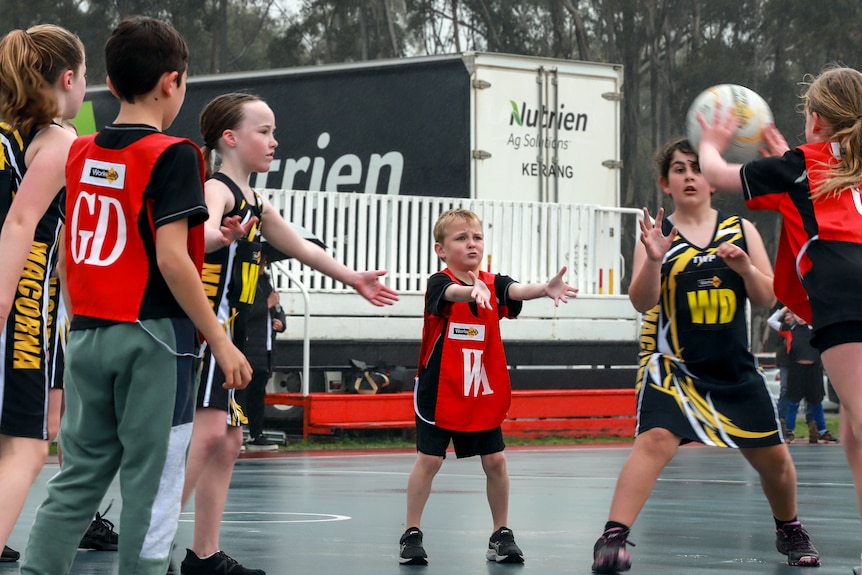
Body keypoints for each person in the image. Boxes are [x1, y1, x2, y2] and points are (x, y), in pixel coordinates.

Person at [19, 16, 252, 575]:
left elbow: (72, 251)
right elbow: (173, 260)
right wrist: (219, 340)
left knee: (77, 480)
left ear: (112, 80)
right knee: (154, 480)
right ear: (172, 82)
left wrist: (79, 320)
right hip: (156, 340)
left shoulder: (80, 152)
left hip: (90, 334)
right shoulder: (173, 154)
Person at [178, 91, 399, 575]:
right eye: (264, 131)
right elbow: (205, 233)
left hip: (237, 334)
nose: (275, 141)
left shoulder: (258, 202)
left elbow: (304, 249)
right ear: (230, 139)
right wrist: (223, 236)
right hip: (210, 330)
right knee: (210, 433)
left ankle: (203, 554)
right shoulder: (218, 189)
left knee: (231, 438)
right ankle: (150, 538)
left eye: (274, 131)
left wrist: (354, 277)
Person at [590, 138, 820, 573]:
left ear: (713, 181)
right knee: (654, 440)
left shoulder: (739, 229)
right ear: (666, 183)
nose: (690, 175)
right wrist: (654, 259)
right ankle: (613, 537)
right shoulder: (656, 234)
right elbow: (641, 302)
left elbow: (768, 296)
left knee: (774, 458)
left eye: (697, 168)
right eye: (679, 169)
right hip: (674, 365)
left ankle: (789, 528)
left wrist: (746, 268)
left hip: (733, 367)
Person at [697, 64, 862, 573]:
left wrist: (712, 139)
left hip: (844, 292)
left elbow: (718, 175)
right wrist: (785, 157)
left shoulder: (803, 162)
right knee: (852, 428)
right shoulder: (826, 166)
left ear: (815, 118)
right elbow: (806, 196)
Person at [399, 208, 578, 566]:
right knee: (430, 460)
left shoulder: (493, 283)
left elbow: (514, 290)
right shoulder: (440, 282)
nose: (471, 244)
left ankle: (500, 535)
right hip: (440, 389)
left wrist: (543, 289)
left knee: (495, 460)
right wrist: (470, 291)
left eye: (476, 237)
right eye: (460, 238)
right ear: (441, 248)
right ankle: (411, 533)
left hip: (478, 390)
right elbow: (452, 293)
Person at [0, 23, 87, 564]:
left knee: (28, 436)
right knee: (27, 448)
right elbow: (21, 224)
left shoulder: (12, 135)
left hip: (36, 306)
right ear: (69, 78)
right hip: (22, 304)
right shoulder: (56, 140)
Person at [237, 255, 286, 452]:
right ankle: (237, 434)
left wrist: (280, 322)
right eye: (262, 262)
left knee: (258, 394)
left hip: (266, 349)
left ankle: (257, 434)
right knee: (240, 392)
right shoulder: (244, 283)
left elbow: (278, 311)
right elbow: (244, 312)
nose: (264, 266)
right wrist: (267, 303)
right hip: (249, 346)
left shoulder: (266, 284)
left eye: (266, 263)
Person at [780, 311, 837, 444]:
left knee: (816, 402)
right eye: (797, 314)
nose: (800, 317)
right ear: (793, 315)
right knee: (793, 402)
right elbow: (772, 321)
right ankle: (789, 431)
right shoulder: (790, 329)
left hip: (813, 369)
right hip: (797, 369)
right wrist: (785, 309)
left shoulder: (815, 329)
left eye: (803, 314)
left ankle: (822, 431)